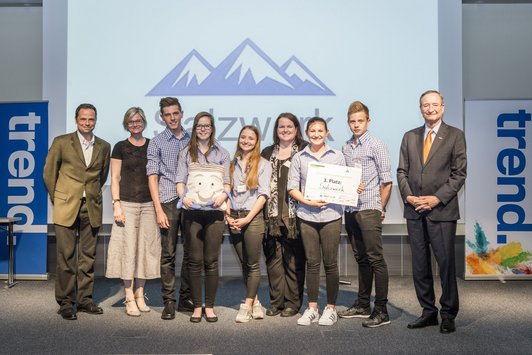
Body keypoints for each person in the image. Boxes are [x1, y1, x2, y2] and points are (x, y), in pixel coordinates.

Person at [397, 90, 467, 334]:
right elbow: (401, 172)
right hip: (414, 210)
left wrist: (436, 198)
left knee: (445, 264)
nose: (430, 109)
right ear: (420, 108)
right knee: (420, 265)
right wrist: (408, 196)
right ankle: (428, 312)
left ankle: (448, 314)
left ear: (443, 106)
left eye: (434, 104)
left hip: (442, 211)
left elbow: (459, 174)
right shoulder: (409, 137)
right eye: (426, 105)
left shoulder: (455, 136)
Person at [43, 103, 111, 320]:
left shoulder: (104, 146)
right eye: (83, 119)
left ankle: (84, 300)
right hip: (66, 206)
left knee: (88, 257)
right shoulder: (62, 142)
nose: (87, 123)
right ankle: (65, 302)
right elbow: (49, 174)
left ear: (95, 121)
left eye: (91, 119)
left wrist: (89, 194)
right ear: (76, 120)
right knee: (66, 256)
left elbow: (102, 176)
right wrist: (59, 198)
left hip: (91, 207)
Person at [339, 101, 392, 328]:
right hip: (351, 210)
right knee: (361, 258)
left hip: (370, 207)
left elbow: (387, 181)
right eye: (353, 121)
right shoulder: (346, 147)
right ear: (348, 122)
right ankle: (362, 304)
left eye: (361, 121)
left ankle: (381, 310)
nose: (356, 125)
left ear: (368, 121)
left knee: (375, 259)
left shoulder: (376, 145)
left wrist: (381, 207)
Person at [287, 117, 346, 326]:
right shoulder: (299, 157)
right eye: (312, 130)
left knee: (330, 263)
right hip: (307, 216)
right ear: (307, 132)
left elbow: (343, 185)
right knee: (312, 263)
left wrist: (350, 189)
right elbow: (292, 187)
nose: (317, 134)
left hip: (331, 215)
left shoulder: (338, 156)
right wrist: (308, 201)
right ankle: (312, 308)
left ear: (327, 132)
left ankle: (330, 309)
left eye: (320, 130)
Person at [105, 107, 161, 317]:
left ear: (144, 122)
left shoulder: (152, 145)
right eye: (131, 121)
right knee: (127, 250)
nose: (135, 124)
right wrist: (116, 204)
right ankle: (128, 295)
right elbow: (115, 178)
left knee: (145, 250)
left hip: (148, 205)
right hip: (126, 204)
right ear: (126, 124)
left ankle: (140, 294)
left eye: (138, 121)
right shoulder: (120, 147)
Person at [176, 112, 231, 323]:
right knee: (195, 260)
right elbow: (180, 181)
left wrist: (223, 195)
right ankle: (197, 306)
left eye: (207, 126)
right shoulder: (185, 153)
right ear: (195, 128)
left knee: (211, 260)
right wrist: (184, 196)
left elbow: (227, 183)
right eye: (199, 125)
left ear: (212, 128)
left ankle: (210, 306)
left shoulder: (223, 153)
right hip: (193, 212)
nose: (203, 129)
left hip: (215, 214)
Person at [147, 97, 192, 320]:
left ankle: (186, 298)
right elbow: (152, 177)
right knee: (169, 254)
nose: (172, 118)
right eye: (167, 114)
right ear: (162, 117)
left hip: (192, 203)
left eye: (175, 113)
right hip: (167, 201)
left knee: (192, 253)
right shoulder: (156, 142)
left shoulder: (194, 139)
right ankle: (169, 302)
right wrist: (158, 209)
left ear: (182, 113)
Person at [261, 113, 307, 318]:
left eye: (290, 126)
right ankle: (276, 302)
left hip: (295, 217)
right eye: (281, 127)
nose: (285, 130)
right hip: (270, 216)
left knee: (294, 262)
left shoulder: (305, 150)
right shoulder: (266, 152)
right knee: (273, 261)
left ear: (297, 129)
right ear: (276, 130)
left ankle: (292, 303)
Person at [226, 125, 272, 323]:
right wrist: (227, 216)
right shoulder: (231, 163)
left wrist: (246, 218)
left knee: (253, 265)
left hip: (252, 218)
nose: (246, 141)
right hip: (233, 217)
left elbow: (263, 196)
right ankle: (256, 302)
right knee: (245, 264)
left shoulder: (263, 164)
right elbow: (227, 192)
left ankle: (245, 306)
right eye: (243, 137)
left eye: (250, 138)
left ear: (257, 141)